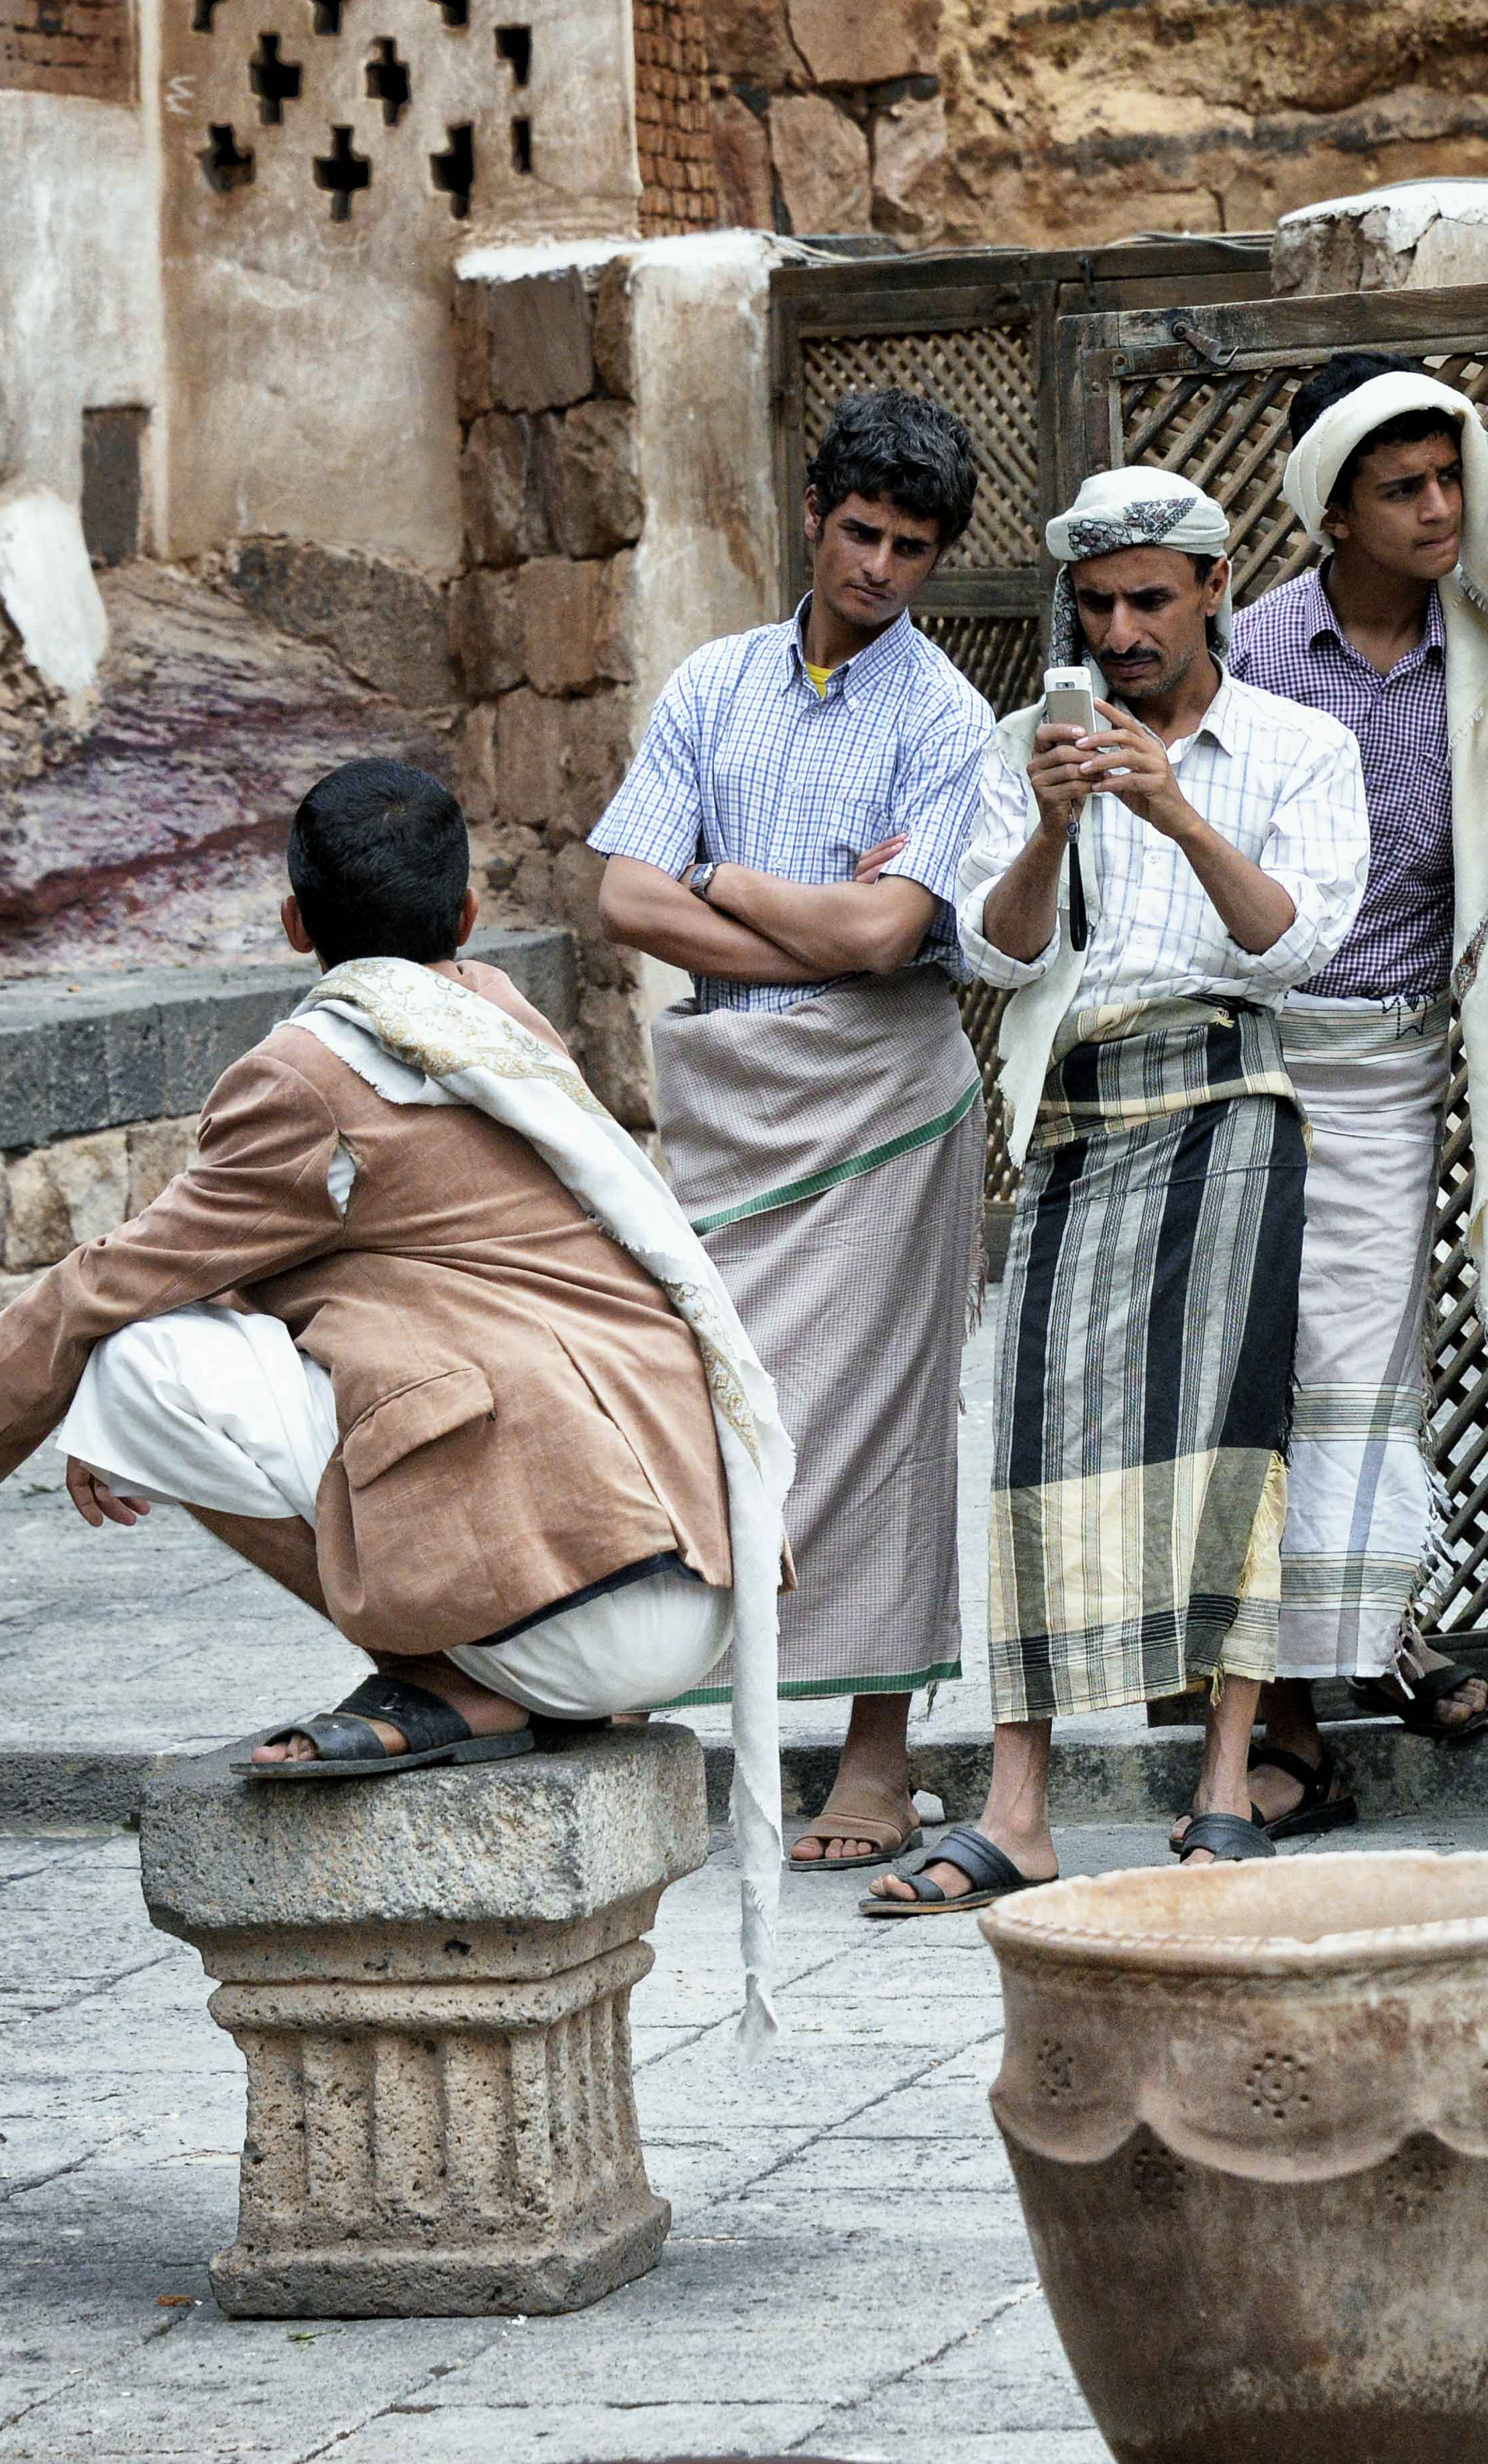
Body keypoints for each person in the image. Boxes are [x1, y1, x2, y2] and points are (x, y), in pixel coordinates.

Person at [0, 761, 794, 2047]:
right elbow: (387, 1236)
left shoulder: (308, 1074)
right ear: (468, 916)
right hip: (701, 1593)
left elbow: (103, 1287)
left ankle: (444, 1677)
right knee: (159, 1340)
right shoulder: (496, 1021)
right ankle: (497, 1669)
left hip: (563, 1628)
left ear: (294, 922)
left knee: (128, 1364)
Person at [867, 465, 1367, 1911]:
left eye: (1152, 598)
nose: (1126, 628)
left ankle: (1222, 1792)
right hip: (1076, 1111)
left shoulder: (1297, 743)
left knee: (1228, 1442)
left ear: (1215, 589)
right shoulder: (1035, 746)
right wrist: (1051, 826)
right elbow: (1001, 956)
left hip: (1231, 1100)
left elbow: (1294, 948)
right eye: (1099, 604)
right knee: (1030, 1443)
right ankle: (1017, 1807)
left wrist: (1178, 817)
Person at [589, 386, 991, 1877]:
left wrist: (737, 883)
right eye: (862, 531)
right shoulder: (711, 685)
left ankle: (875, 1759)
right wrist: (817, 918)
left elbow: (896, 934)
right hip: (731, 1104)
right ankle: (705, 1708)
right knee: (707, 1399)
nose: (880, 567)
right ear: (813, 511)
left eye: (913, 546)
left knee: (886, 1421)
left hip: (885, 1103)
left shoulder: (948, 717)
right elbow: (626, 898)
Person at [1224, 351, 1488, 1829]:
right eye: (1400, 487)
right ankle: (1289, 1717)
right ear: (1331, 511)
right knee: (1262, 1374)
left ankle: (1365, 1640)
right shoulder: (1248, 652)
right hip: (1248, 1052)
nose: (1437, 507)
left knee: (1365, 1371)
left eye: (1447, 478)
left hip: (1397, 1060)